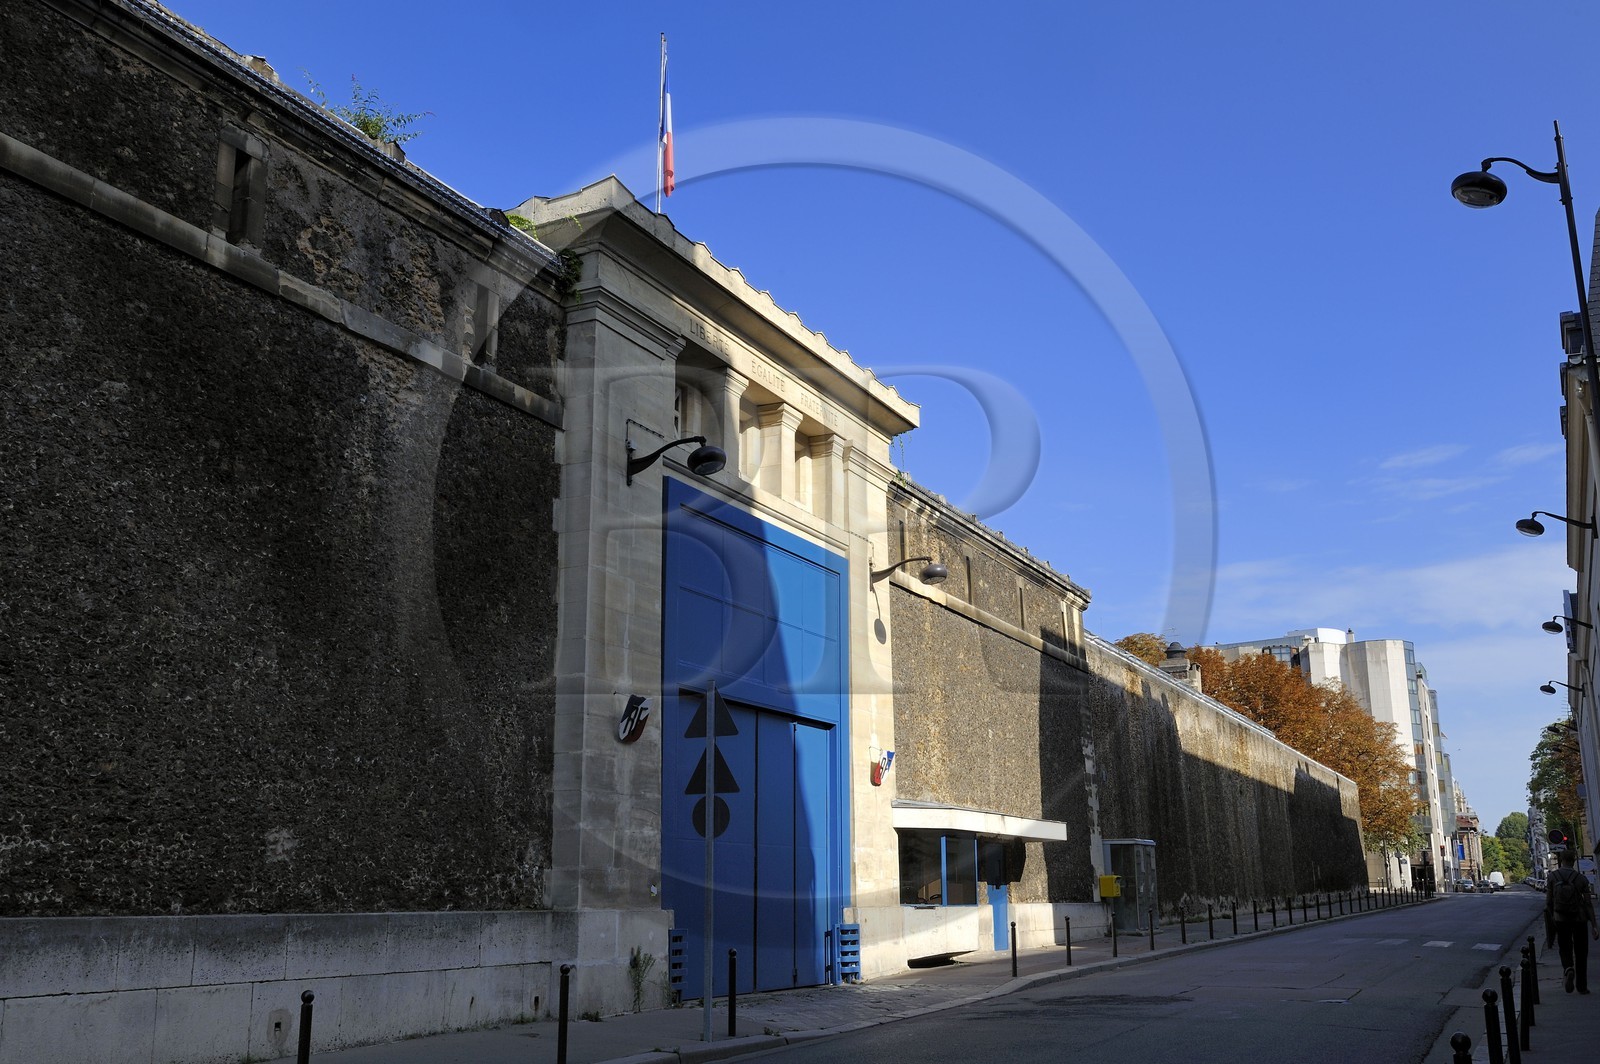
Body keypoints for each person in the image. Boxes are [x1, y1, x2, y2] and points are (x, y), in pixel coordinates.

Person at [1545, 848, 1599, 994]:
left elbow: (1549, 901)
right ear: (1574, 861)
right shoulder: (1581, 879)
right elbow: (1588, 904)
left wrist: (1552, 917)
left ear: (1562, 860)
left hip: (1561, 918)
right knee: (1581, 951)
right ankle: (1582, 986)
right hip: (1579, 918)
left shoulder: (1552, 877)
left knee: (1565, 947)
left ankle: (1568, 968)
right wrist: (1594, 925)